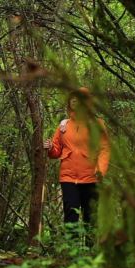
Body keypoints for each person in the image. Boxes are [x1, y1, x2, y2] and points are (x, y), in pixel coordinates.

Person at [44, 87, 110, 225]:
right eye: (72, 100)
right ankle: (71, 246)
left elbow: (104, 149)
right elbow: (56, 151)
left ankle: (90, 247)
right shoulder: (64, 126)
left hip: (92, 178)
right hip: (68, 178)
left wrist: (100, 170)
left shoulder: (98, 124)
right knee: (70, 218)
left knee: (91, 220)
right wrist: (50, 147)